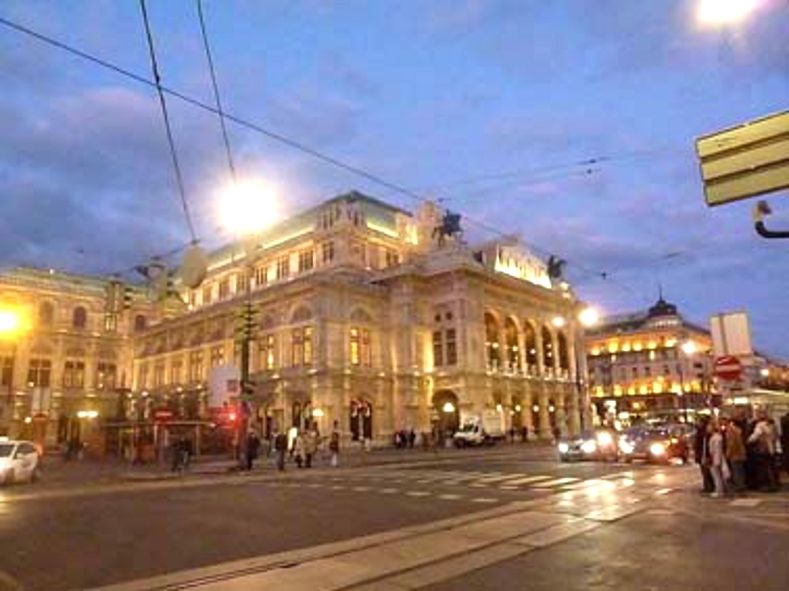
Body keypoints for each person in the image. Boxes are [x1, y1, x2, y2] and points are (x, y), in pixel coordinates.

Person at [748, 411, 779, 492]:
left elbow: (755, 436)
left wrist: (749, 440)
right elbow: (775, 436)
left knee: (763, 468)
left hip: (763, 449)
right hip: (771, 449)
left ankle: (766, 485)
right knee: (771, 467)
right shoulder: (772, 426)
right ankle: (774, 484)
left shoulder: (760, 425)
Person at [723, 417, 746, 493]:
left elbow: (731, 443)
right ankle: (741, 485)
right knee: (739, 470)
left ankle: (739, 486)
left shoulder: (731, 430)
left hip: (735, 454)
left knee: (736, 470)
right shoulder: (737, 430)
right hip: (739, 453)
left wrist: (728, 453)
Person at [694, 417, 714, 494]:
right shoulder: (701, 431)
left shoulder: (704, 433)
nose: (697, 423)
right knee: (704, 471)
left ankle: (708, 486)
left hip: (703, 454)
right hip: (701, 454)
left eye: (699, 422)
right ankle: (707, 486)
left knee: (706, 471)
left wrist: (704, 455)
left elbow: (704, 445)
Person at [708, 421, 727, 498]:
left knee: (716, 475)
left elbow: (714, 450)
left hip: (716, 458)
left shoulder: (714, 438)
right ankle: (720, 490)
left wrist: (712, 458)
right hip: (719, 457)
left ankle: (719, 490)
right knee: (719, 475)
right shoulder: (719, 437)